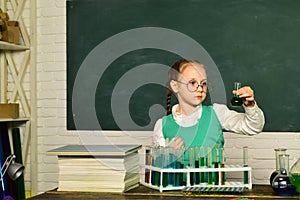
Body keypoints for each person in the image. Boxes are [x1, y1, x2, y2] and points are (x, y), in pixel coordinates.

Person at [152, 59, 265, 164]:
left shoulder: (217, 113)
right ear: (175, 86)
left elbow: (253, 127)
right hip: (177, 186)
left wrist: (250, 105)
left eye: (203, 83)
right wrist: (169, 154)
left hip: (214, 185)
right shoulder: (162, 125)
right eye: (192, 83)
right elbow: (157, 170)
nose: (200, 88)